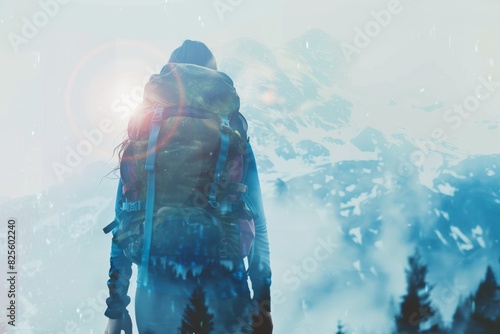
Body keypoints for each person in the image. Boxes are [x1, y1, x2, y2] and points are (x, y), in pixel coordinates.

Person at [104, 40, 273, 333]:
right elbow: (258, 221)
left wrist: (115, 310)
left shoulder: (146, 129)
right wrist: (263, 304)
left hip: (155, 291)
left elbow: (124, 221)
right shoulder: (230, 128)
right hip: (225, 290)